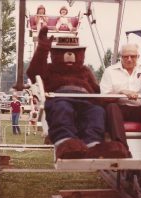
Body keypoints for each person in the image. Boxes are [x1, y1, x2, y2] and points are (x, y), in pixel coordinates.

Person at [27, 26, 129, 159]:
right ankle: (65, 141)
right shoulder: (50, 69)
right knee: (62, 109)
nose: (70, 55)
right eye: (64, 52)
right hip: (60, 97)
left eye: (74, 52)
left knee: (96, 112)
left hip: (85, 100)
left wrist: (110, 98)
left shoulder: (85, 71)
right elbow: (33, 72)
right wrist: (42, 48)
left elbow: (97, 91)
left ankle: (93, 143)